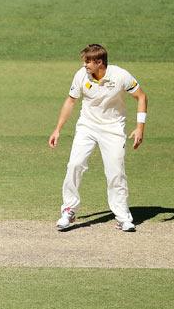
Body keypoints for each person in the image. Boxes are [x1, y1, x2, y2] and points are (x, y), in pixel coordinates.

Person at [49, 44, 148, 232]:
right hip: (87, 126)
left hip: (113, 129)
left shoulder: (120, 75)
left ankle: (122, 216)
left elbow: (141, 97)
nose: (84, 65)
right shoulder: (81, 75)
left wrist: (139, 128)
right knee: (75, 164)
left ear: (99, 62)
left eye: (88, 61)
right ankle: (69, 210)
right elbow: (71, 101)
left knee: (115, 172)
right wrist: (58, 129)